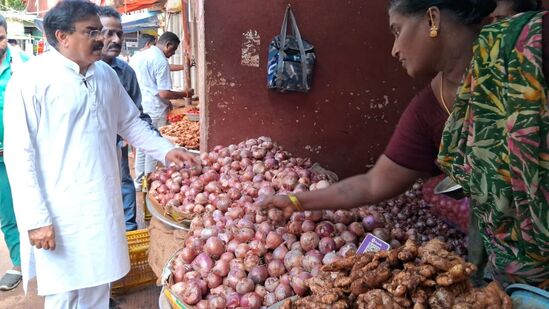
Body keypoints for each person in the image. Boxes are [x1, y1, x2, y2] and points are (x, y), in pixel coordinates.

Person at [260, 0, 547, 288]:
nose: (394, 49)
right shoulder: (429, 109)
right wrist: (295, 201)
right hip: (520, 273)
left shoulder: (528, 44)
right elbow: (373, 184)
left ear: (432, 18)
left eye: (397, 31)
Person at [2, 1, 196, 308]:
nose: (101, 39)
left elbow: (130, 123)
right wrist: (37, 219)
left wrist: (168, 151)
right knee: (64, 293)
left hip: (101, 203)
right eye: (91, 31)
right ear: (61, 36)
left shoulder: (105, 75)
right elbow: (19, 154)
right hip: (58, 209)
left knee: (97, 286)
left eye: (100, 31)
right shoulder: (30, 80)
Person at [98, 5, 145, 231]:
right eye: (108, 33)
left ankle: (128, 228)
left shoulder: (126, 72)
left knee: (124, 182)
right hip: (88, 151)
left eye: (119, 33)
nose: (116, 39)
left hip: (118, 143)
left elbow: (136, 115)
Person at [131, 31, 193, 191]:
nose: (172, 55)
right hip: (156, 108)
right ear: (168, 45)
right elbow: (164, 93)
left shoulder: (141, 55)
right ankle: (150, 182)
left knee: (142, 146)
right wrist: (185, 93)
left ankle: (139, 182)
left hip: (140, 105)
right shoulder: (160, 60)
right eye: (173, 51)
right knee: (154, 146)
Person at [0, 13, 29, 292]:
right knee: (8, 213)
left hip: (25, 153)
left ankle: (44, 261)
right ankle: (19, 264)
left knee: (34, 206)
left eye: (0, 38)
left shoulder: (24, 65)